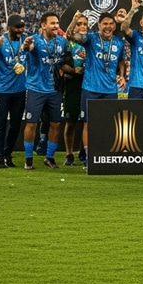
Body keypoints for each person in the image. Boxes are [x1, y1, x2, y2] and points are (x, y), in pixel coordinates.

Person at [68, 11, 127, 167]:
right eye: (104, 24)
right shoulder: (91, 39)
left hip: (110, 90)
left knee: (108, 124)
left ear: (114, 26)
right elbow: (70, 35)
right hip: (90, 88)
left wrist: (122, 75)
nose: (108, 27)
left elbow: (122, 60)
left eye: (110, 24)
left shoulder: (119, 43)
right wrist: (74, 21)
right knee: (87, 124)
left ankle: (105, 155)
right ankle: (88, 158)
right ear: (99, 25)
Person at [21, 12, 69, 170]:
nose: (56, 26)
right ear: (43, 25)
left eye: (57, 23)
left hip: (54, 89)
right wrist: (27, 46)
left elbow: (63, 61)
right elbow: (30, 47)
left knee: (55, 124)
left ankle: (49, 157)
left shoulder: (62, 42)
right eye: (52, 23)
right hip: (36, 88)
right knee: (32, 123)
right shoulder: (35, 40)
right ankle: (28, 159)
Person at [0, 13, 28, 169]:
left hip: (20, 89)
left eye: (22, 27)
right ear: (9, 27)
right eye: (17, 27)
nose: (20, 30)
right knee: (1, 123)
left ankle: (7, 154)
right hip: (2, 89)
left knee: (16, 124)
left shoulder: (26, 41)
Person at [61, 19, 86, 166]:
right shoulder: (68, 42)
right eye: (79, 24)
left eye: (84, 24)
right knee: (70, 122)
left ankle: (85, 153)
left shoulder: (90, 41)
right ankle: (69, 154)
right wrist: (72, 70)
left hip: (88, 84)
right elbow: (61, 62)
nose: (82, 26)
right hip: (71, 85)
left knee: (87, 123)